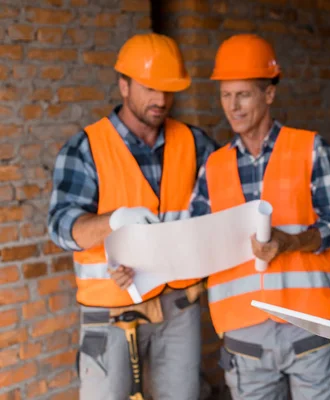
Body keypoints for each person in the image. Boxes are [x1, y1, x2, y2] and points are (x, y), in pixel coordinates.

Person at [48, 33, 218, 400]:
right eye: (149, 88)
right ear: (123, 85)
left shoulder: (195, 143)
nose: (160, 100)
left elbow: (221, 212)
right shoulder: (86, 148)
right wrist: (113, 223)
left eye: (168, 90)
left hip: (178, 309)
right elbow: (61, 226)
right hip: (109, 312)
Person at [189, 34, 330, 400]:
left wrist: (291, 242)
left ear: (269, 94)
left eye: (243, 94)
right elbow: (195, 243)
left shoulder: (310, 149)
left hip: (309, 326)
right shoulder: (211, 168)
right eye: (226, 95)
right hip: (244, 334)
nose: (233, 106)